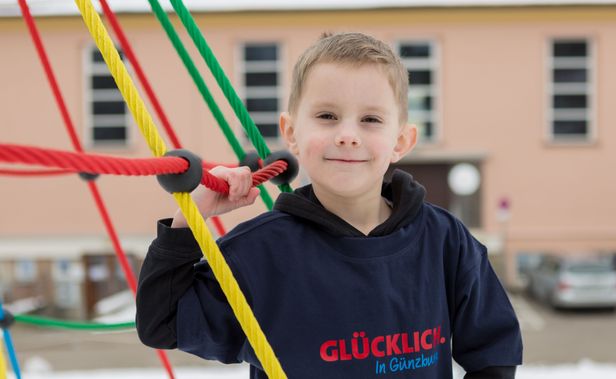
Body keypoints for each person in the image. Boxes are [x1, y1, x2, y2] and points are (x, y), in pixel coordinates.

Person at [136, 32, 522, 379]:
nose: (348, 135)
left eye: (370, 119)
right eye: (327, 116)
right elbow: (161, 323)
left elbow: (494, 352)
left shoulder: (444, 240)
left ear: (401, 141)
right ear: (291, 132)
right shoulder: (259, 251)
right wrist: (192, 217)